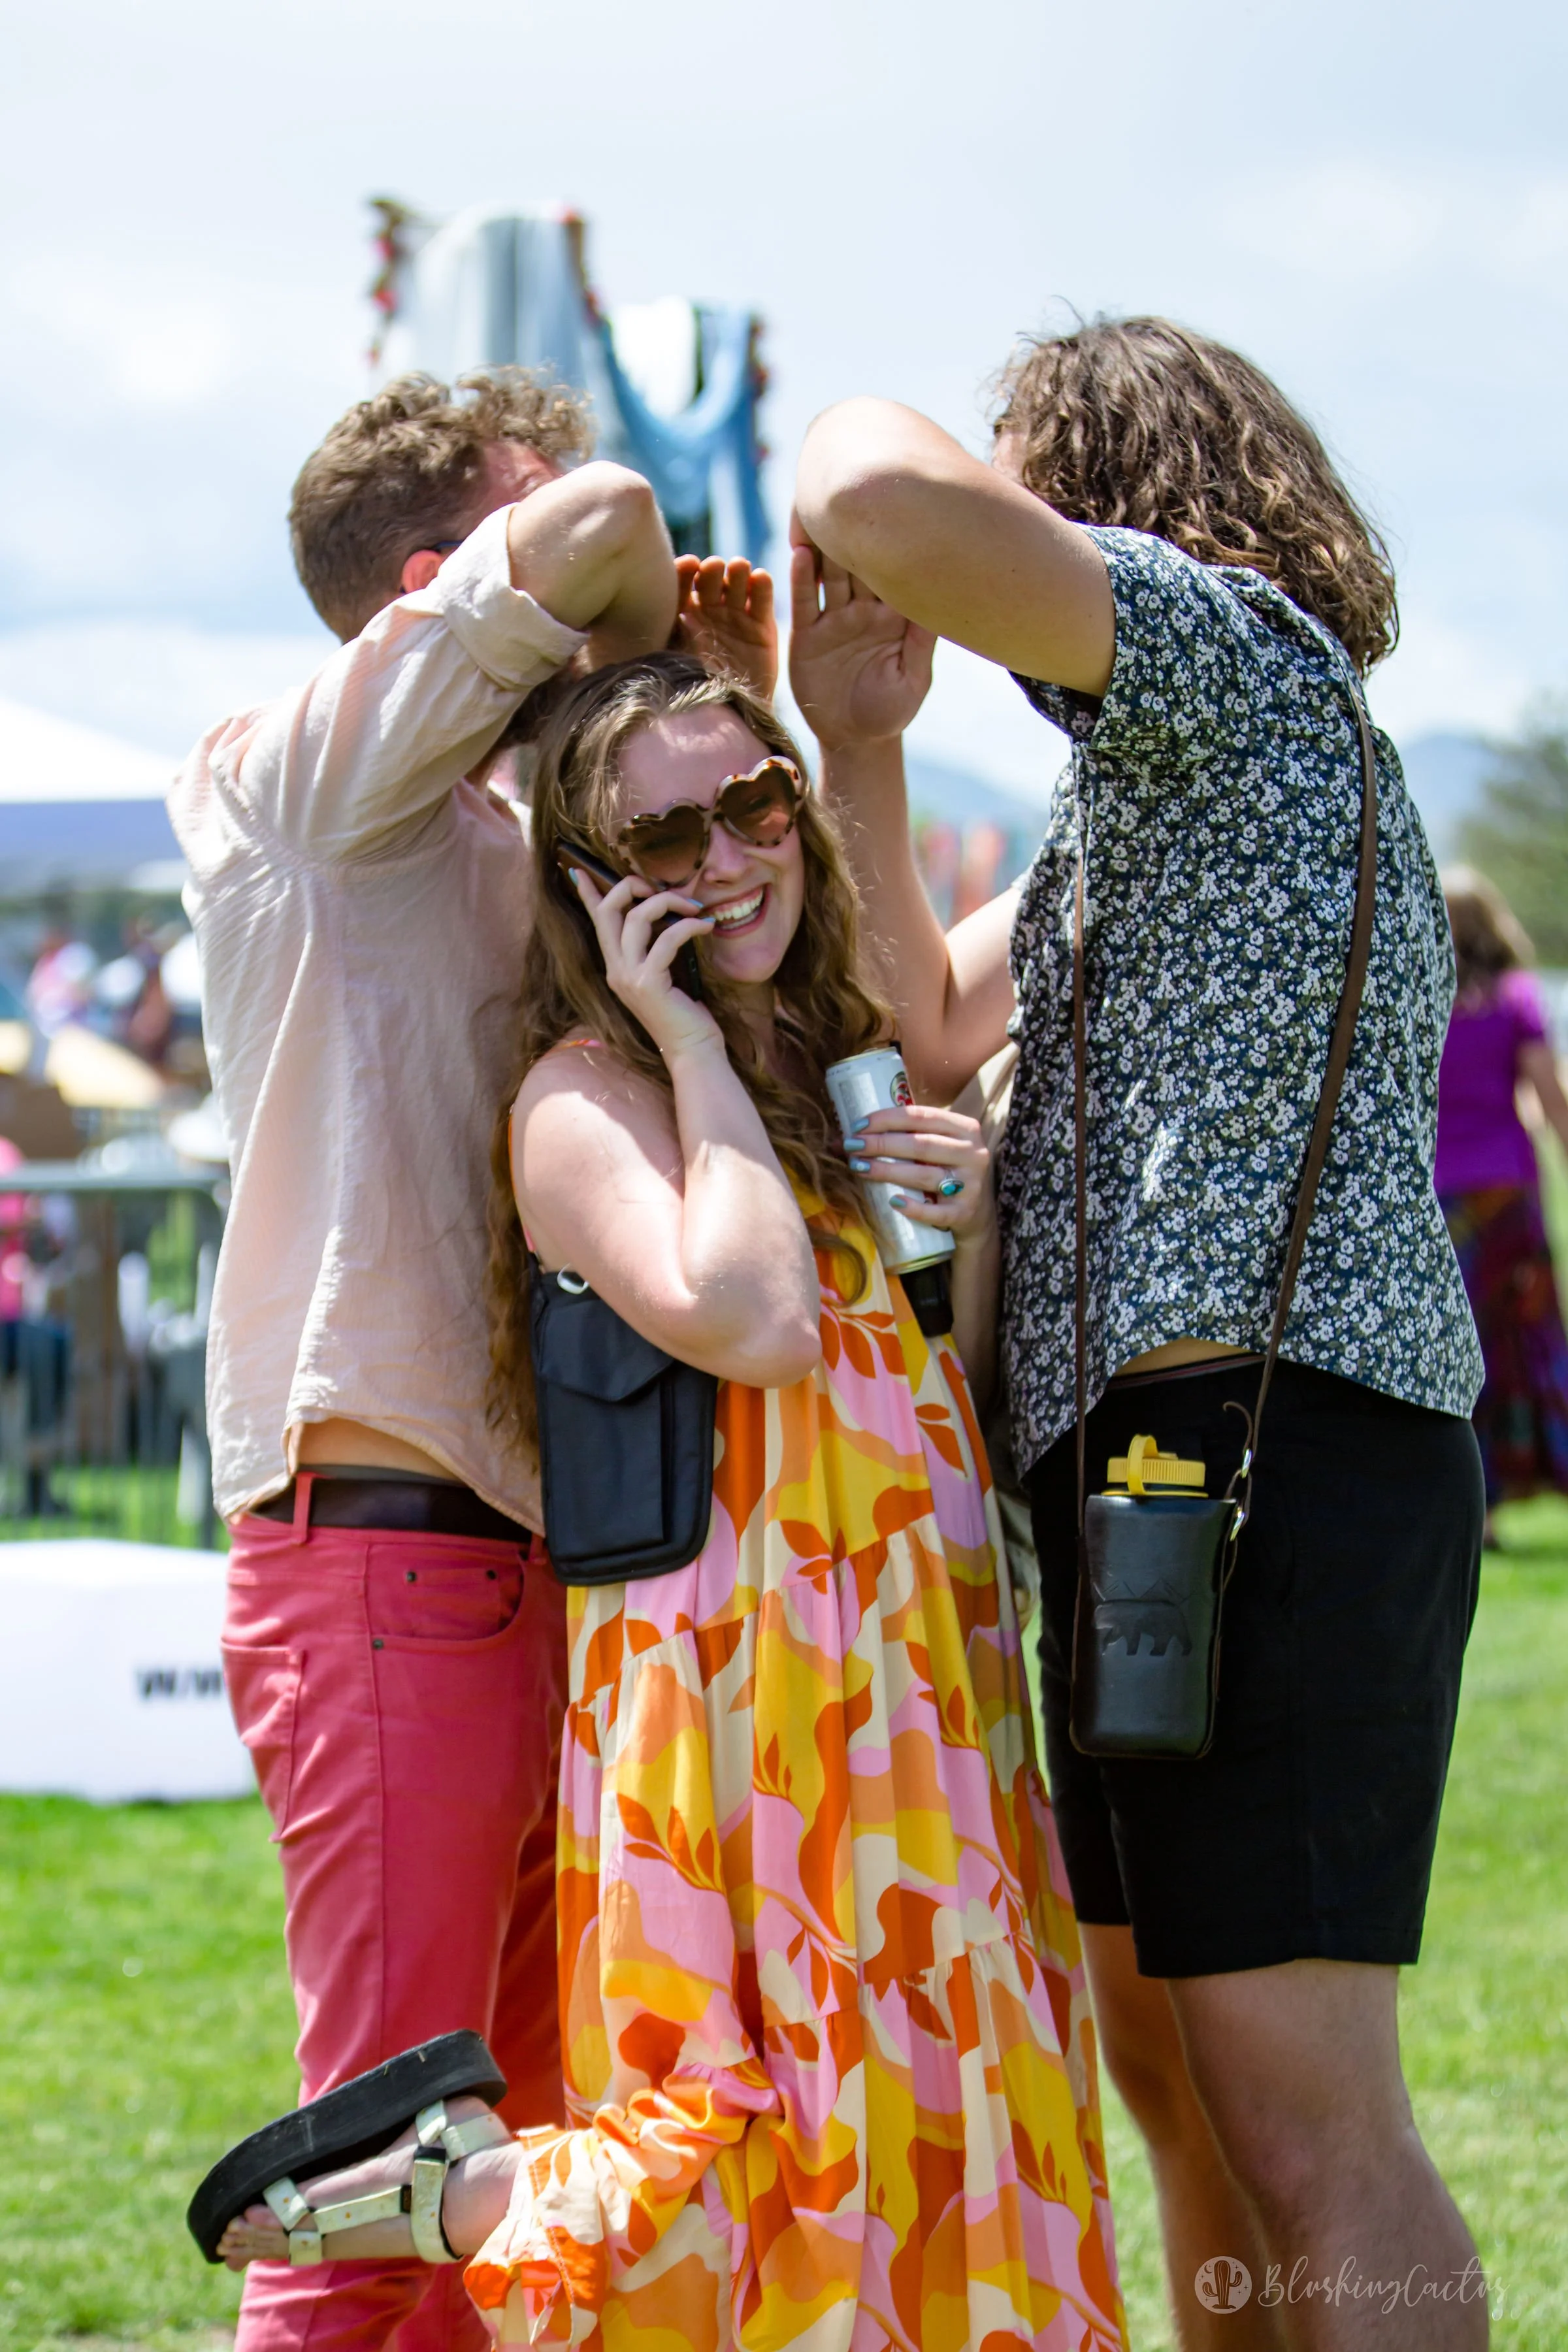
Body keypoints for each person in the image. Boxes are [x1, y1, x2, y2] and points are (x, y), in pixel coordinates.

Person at [210, 649, 1127, 2352]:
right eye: (667, 836)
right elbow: (760, 1323)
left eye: (756, 803)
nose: (730, 855)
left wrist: (973, 1216)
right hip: (730, 1689)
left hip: (916, 1672)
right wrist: (689, 1042)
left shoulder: (839, 1078)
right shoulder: (583, 1102)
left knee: (947, 2087)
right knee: (748, 2118)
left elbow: (936, 1394)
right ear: (596, 888)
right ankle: (455, 2187)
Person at [788, 317, 1489, 2351]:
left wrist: (890, 479)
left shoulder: (1225, 649)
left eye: (1027, 486)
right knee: (1176, 2088)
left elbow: (866, 491)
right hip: (1154, 1481)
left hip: (1280, 1453)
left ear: (1101, 490)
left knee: (1299, 2121)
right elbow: (922, 1019)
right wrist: (859, 743)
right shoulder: (1141, 780)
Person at [169, 368, 775, 2352]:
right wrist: (637, 627)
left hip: (522, 1558)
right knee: (384, 2191)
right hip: (383, 1545)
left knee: (505, 2200)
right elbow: (603, 509)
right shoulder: (293, 768)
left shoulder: (511, 822)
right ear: (441, 586)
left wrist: (724, 712)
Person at [1437, 868, 1568, 1540]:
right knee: (1525, 1336)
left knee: (1464, 1346)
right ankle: (1537, 1475)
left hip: (1440, 1199)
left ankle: (1477, 1503)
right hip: (1508, 1194)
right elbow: (1550, 1095)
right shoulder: (1518, 999)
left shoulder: (1421, 999)